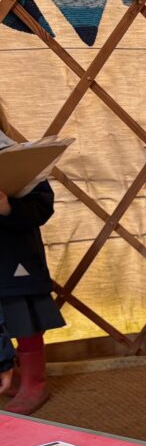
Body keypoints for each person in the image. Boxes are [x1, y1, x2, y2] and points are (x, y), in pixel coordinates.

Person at [0, 101, 66, 415]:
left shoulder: (17, 156)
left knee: (21, 316)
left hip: (13, 255)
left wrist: (7, 208)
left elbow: (43, 207)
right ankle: (7, 376)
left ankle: (33, 383)